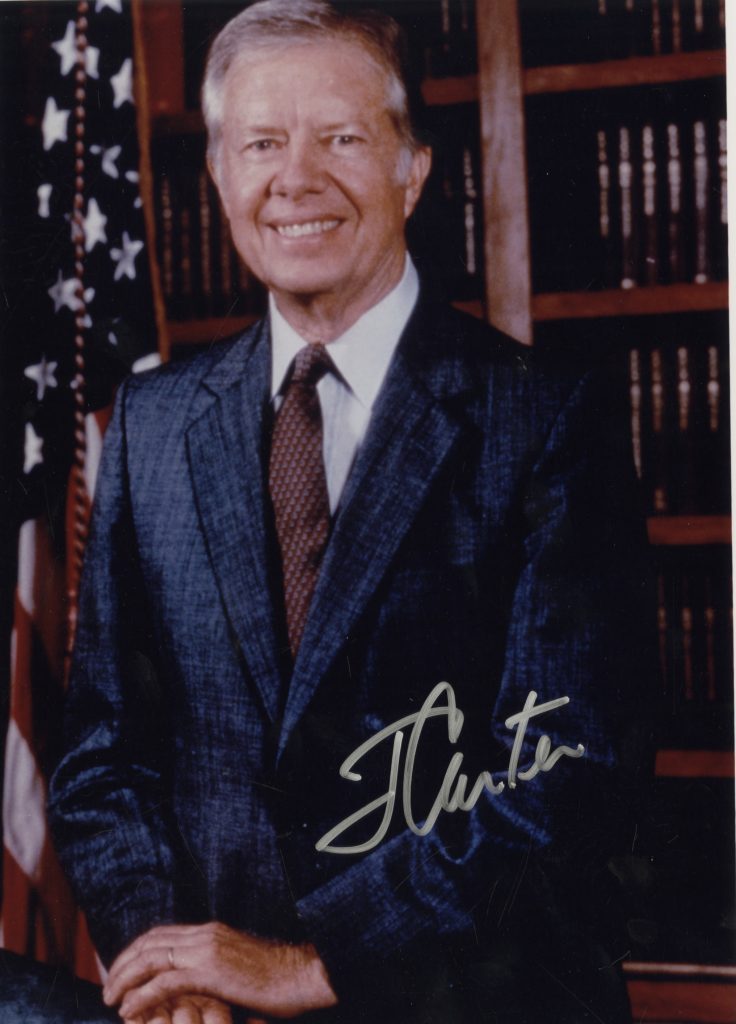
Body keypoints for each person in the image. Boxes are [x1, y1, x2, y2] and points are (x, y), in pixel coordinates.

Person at [48, 2, 654, 1022]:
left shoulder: (549, 416)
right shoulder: (152, 426)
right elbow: (104, 759)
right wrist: (173, 964)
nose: (296, 180)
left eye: (339, 138)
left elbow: (572, 774)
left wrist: (312, 964)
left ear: (411, 168)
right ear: (219, 176)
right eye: (261, 144)